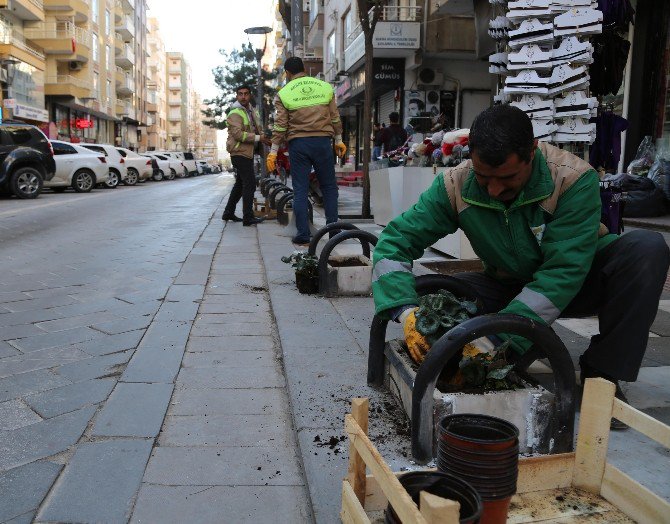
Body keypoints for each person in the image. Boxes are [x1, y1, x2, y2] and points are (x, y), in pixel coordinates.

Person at [372, 104, 669, 429]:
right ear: (471, 157)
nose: (495, 189)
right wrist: (406, 312)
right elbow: (397, 240)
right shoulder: (455, 185)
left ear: (532, 152)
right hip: (507, 283)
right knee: (440, 298)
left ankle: (602, 378)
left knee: (646, 249)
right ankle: (521, 345)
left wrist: (499, 345)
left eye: (508, 179)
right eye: (484, 178)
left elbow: (562, 273)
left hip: (582, 280)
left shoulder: (572, 179)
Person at [267, 57, 347, 245]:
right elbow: (335, 118)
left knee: (300, 189)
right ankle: (333, 231)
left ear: (287, 73)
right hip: (322, 143)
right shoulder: (325, 87)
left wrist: (273, 150)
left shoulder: (284, 93)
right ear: (304, 69)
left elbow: (280, 126)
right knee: (328, 187)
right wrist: (339, 140)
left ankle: (303, 234)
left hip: (298, 145)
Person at [222, 84, 271, 226]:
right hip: (239, 152)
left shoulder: (250, 111)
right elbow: (237, 134)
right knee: (249, 183)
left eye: (246, 94)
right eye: (240, 94)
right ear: (237, 96)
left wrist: (263, 139)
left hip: (246, 152)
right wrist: (258, 138)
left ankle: (228, 212)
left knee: (240, 183)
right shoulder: (235, 112)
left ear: (250, 95)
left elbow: (257, 129)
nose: (243, 96)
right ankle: (247, 217)